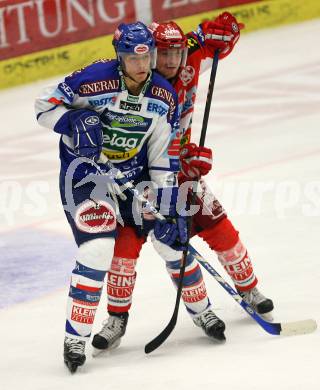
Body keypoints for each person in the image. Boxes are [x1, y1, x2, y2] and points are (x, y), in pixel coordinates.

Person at [92, 12, 274, 353]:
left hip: (182, 177)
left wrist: (224, 32)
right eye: (163, 54)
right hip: (137, 184)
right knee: (124, 252)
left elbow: (212, 42)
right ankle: (117, 317)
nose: (172, 61)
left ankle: (247, 289)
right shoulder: (133, 84)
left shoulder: (184, 55)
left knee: (220, 229)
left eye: (176, 53)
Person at [35, 21, 189, 373]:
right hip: (84, 176)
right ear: (119, 57)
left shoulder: (163, 95)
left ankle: (200, 309)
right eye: (132, 59)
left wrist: (166, 201)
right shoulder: (92, 79)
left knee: (167, 241)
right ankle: (75, 338)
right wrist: (73, 120)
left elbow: (161, 156)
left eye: (146, 57)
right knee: (98, 248)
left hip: (131, 181)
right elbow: (43, 106)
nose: (141, 65)